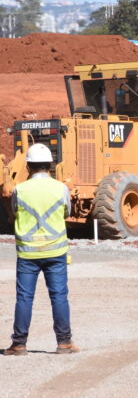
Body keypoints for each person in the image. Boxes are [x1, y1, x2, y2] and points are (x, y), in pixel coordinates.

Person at [5, 144, 78, 356]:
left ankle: (19, 344)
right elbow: (67, 212)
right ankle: (64, 343)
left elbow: (14, 211)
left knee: (24, 298)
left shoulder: (20, 189)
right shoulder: (60, 188)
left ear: (28, 166)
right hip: (55, 252)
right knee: (59, 296)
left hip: (28, 254)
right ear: (50, 165)